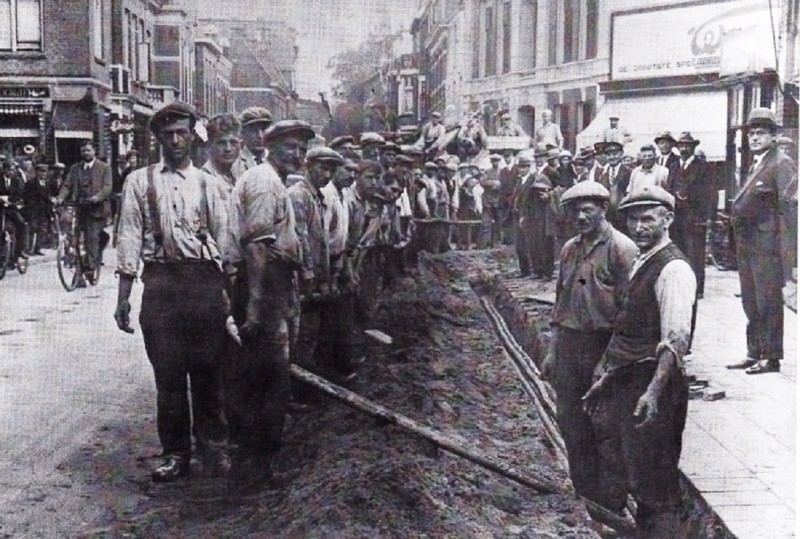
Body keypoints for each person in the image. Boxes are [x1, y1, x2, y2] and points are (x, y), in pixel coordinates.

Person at [114, 102, 231, 483]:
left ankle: (213, 449)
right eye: (168, 134)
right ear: (158, 138)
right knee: (168, 377)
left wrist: (228, 296)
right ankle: (176, 453)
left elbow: (226, 244)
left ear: (192, 135)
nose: (175, 140)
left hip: (202, 283)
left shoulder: (209, 184)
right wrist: (124, 296)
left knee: (208, 372)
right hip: (162, 284)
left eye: (182, 132)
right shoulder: (139, 181)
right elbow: (129, 236)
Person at [585, 185, 695, 537]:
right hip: (630, 380)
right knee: (633, 468)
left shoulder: (673, 270)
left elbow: (675, 341)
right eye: (632, 219)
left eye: (648, 218)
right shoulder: (643, 260)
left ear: (668, 219)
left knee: (655, 481)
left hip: (654, 384)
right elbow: (630, 329)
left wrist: (653, 393)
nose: (639, 227)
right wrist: (609, 378)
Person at [541, 181, 638, 508]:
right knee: (571, 421)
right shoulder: (570, 248)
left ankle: (611, 504)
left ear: (603, 210)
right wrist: (553, 351)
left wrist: (609, 362)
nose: (581, 216)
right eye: (575, 211)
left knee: (607, 427)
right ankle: (585, 499)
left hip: (603, 346)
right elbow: (560, 301)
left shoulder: (621, 249)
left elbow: (630, 312)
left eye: (588, 210)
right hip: (570, 345)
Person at [224, 120, 308, 491]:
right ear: (269, 146)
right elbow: (257, 246)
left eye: (302, 149)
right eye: (290, 147)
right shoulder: (263, 181)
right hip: (261, 285)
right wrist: (256, 307)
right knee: (269, 381)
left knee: (262, 379)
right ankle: (256, 468)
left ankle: (255, 463)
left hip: (269, 284)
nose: (298, 155)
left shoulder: (274, 181)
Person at [726, 108, 796, 375]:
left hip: (768, 248)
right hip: (748, 245)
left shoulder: (781, 163)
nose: (754, 138)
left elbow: (789, 212)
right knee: (750, 300)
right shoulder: (757, 163)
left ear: (773, 136)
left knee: (767, 301)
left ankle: (771, 356)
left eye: (761, 133)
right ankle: (754, 351)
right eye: (751, 134)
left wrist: (788, 255)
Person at [288, 146, 341, 406]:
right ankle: (297, 394)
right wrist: (309, 277)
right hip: (300, 279)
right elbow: (300, 240)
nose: (327, 174)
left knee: (312, 335)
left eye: (331, 169)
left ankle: (306, 390)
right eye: (323, 167)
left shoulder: (317, 197)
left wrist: (326, 277)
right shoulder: (299, 196)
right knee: (301, 336)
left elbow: (323, 242)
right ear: (308, 166)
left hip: (316, 278)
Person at [57, 139, 112, 282]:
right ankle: (76, 266)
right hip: (79, 207)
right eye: (83, 151)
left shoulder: (104, 168)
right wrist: (60, 197)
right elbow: (67, 185)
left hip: (96, 210)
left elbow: (107, 187)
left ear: (94, 151)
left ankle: (90, 266)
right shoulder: (75, 168)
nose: (86, 153)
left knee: (92, 238)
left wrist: (97, 197)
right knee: (73, 236)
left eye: (88, 150)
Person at [668, 132, 714, 301]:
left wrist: (707, 218)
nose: (684, 148)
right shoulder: (673, 166)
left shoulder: (703, 166)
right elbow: (669, 189)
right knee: (678, 253)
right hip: (677, 219)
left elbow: (709, 193)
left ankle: (697, 289)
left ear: (693, 147)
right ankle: (681, 286)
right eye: (681, 146)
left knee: (695, 255)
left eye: (687, 145)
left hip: (695, 218)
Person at [201, 113, 242, 196]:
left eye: (233, 142)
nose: (228, 149)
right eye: (221, 143)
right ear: (210, 145)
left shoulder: (238, 175)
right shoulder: (204, 180)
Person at [598, 142, 632, 233]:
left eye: (615, 154)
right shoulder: (603, 176)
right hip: (608, 218)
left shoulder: (629, 173)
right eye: (609, 155)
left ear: (621, 154)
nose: (612, 157)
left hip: (624, 217)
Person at [0, 160, 29, 261]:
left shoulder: (17, 181)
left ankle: (20, 250)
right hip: (0, 208)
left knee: (22, 224)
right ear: (3, 170)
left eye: (12, 170)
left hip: (11, 208)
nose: (11, 172)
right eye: (8, 170)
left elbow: (20, 193)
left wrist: (10, 200)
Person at [232, 106, 272, 177]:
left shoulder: (275, 161)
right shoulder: (234, 162)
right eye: (253, 130)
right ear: (242, 133)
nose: (260, 136)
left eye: (263, 130)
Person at [22, 162, 53, 254]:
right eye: (41, 171)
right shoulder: (30, 183)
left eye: (45, 172)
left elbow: (48, 197)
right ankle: (29, 248)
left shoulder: (47, 183)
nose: (43, 174)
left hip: (44, 210)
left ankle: (37, 248)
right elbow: (25, 196)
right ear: (37, 172)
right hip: (33, 210)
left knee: (41, 229)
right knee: (32, 228)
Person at [478, 154, 503, 247]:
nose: (495, 162)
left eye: (497, 160)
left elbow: (505, 184)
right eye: (493, 161)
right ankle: (484, 244)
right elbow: (482, 182)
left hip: (498, 202)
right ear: (491, 162)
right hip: (487, 201)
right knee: (485, 224)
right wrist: (494, 183)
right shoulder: (487, 172)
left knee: (499, 224)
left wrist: (498, 185)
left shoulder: (502, 172)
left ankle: (497, 245)